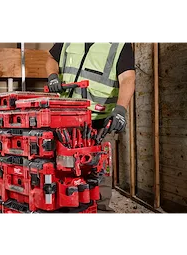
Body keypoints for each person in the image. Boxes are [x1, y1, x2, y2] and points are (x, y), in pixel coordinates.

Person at [45, 40, 136, 214]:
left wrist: (120, 110)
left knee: (99, 171)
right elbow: (51, 58)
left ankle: (100, 211)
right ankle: (66, 208)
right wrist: (52, 75)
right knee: (64, 169)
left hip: (99, 121)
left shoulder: (118, 45)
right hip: (66, 117)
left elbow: (128, 78)